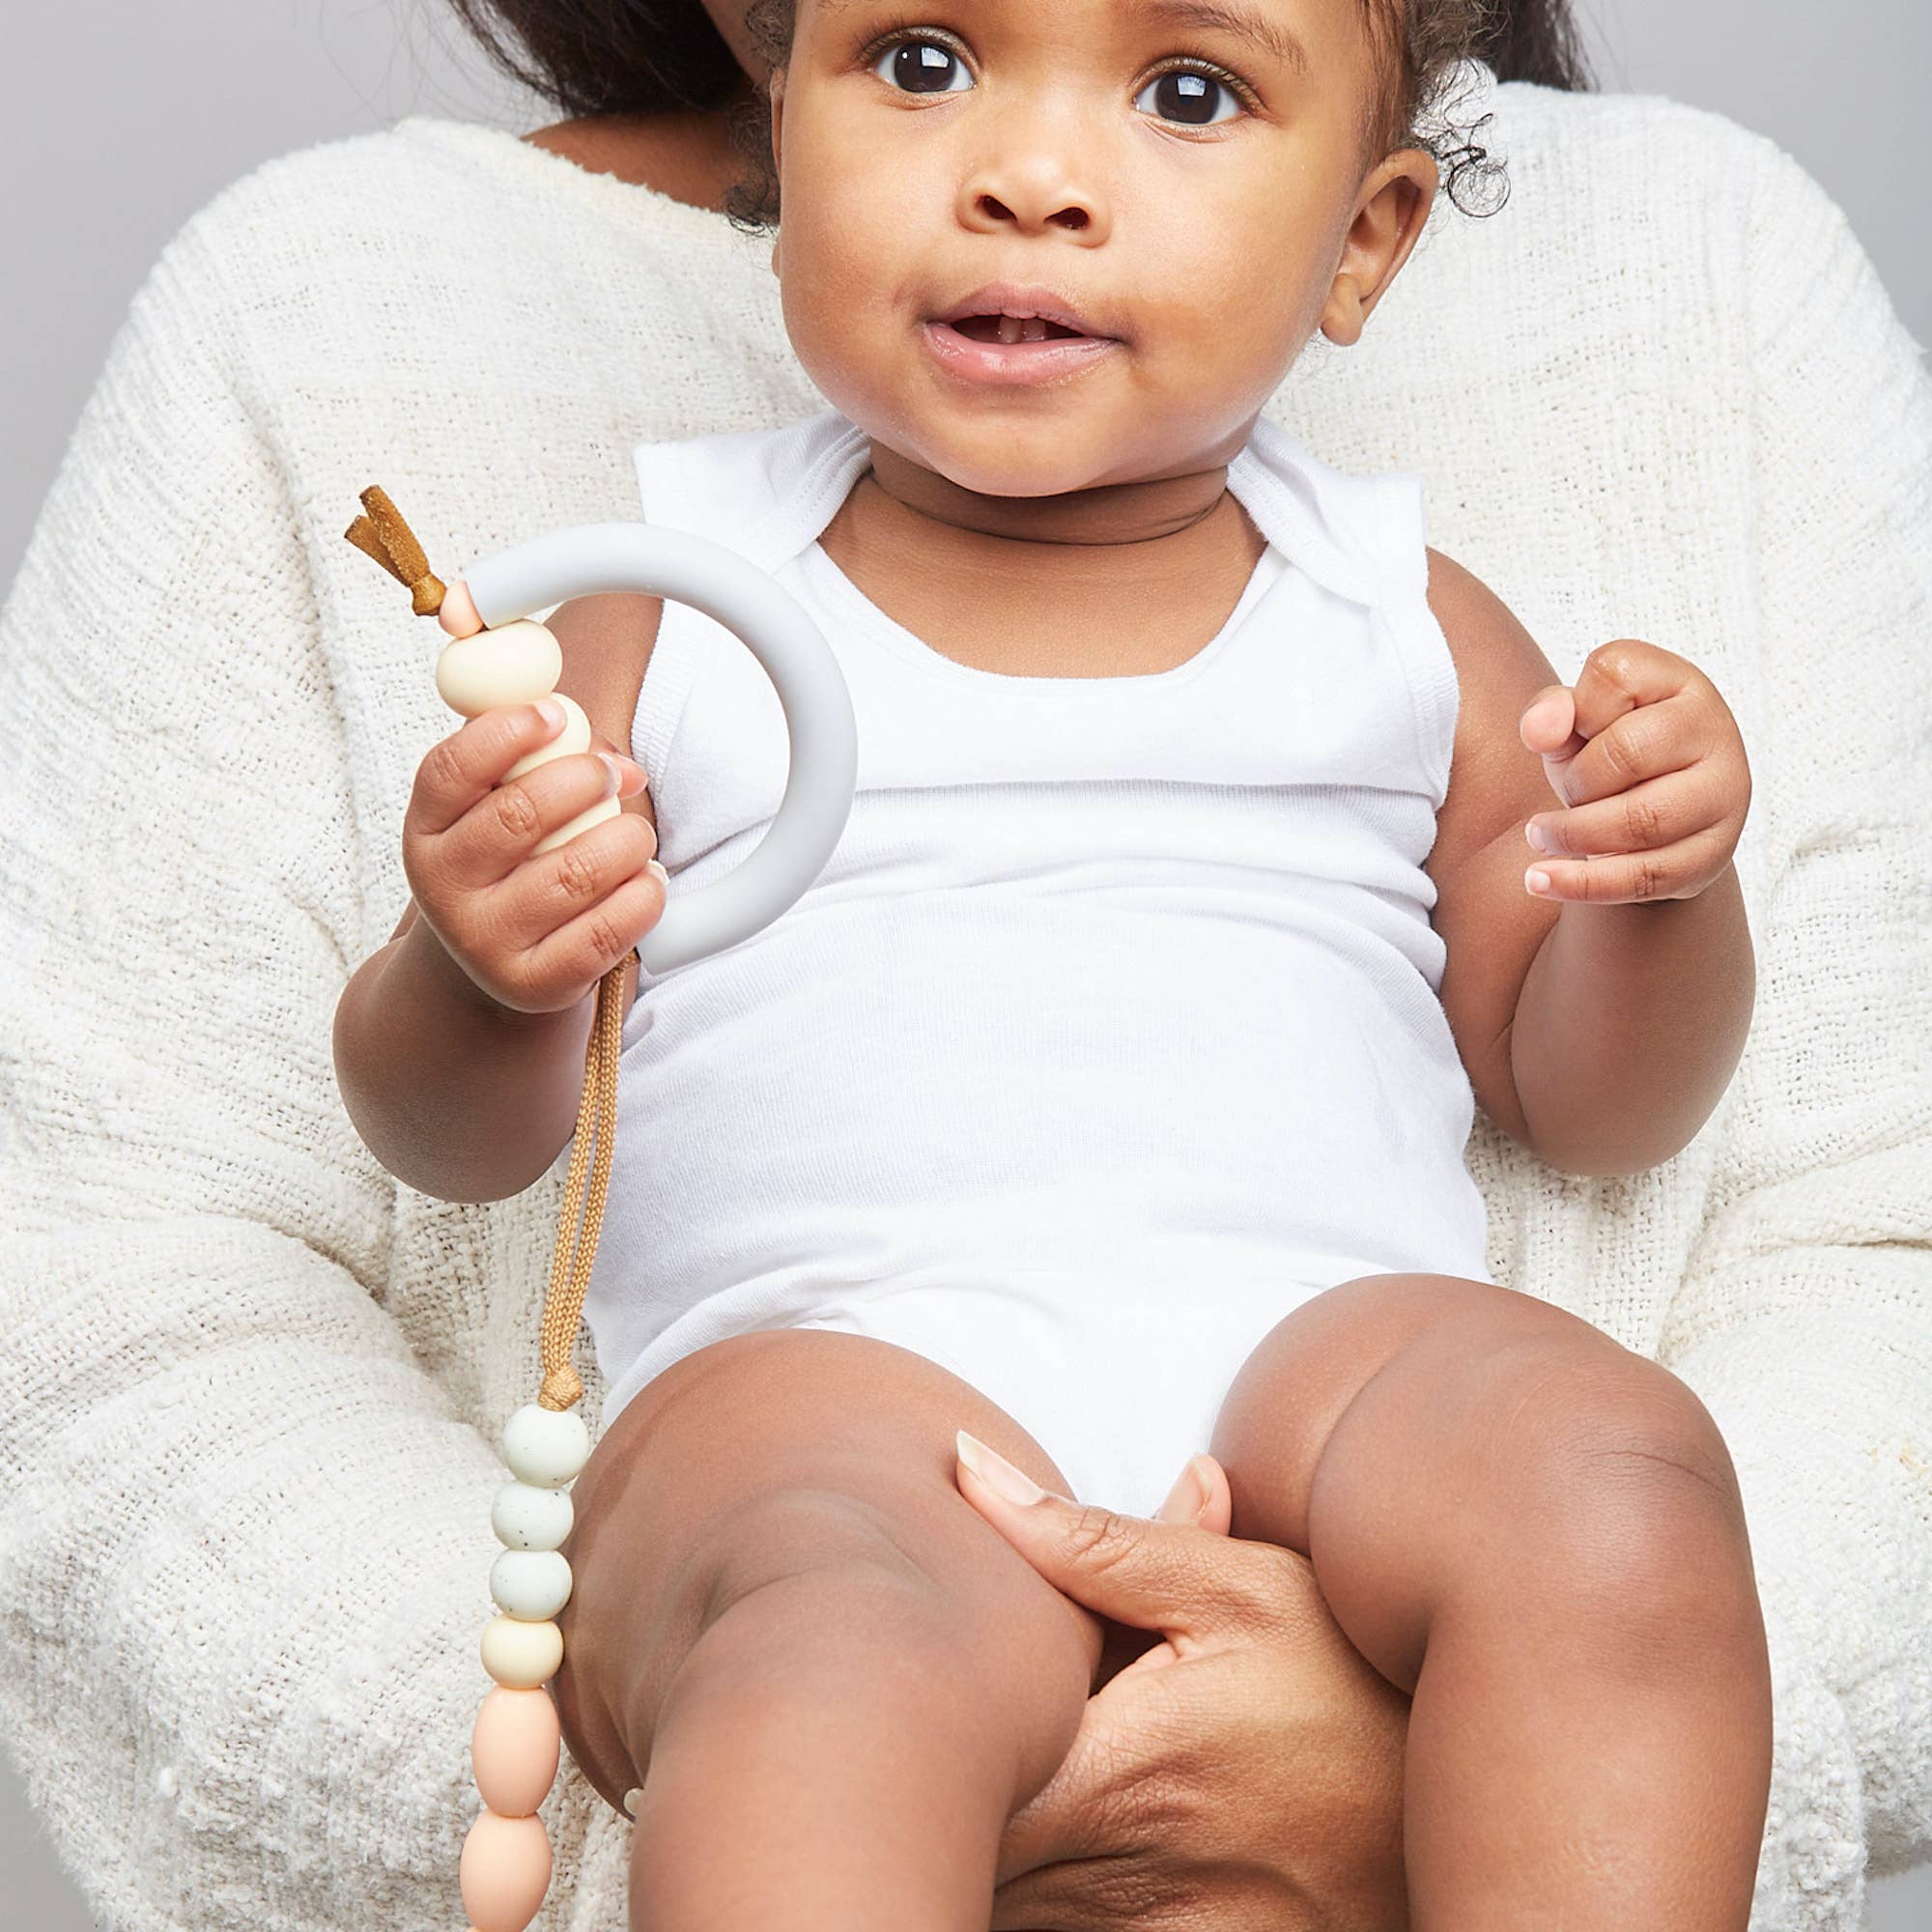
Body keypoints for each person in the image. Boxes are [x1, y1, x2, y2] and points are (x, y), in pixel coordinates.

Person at [1, 2, 1926, 1929]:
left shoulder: (1401, 619)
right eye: (920, 63)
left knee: (1616, 1482)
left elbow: (1595, 1099)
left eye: (1186, 93)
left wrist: (1662, 888)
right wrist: (479, 966)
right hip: (833, 1379)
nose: (1027, 177)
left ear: (1363, 245)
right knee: (830, 1653)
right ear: (785, 105)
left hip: (1323, 1370)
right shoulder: (669, 613)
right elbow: (459, 1138)